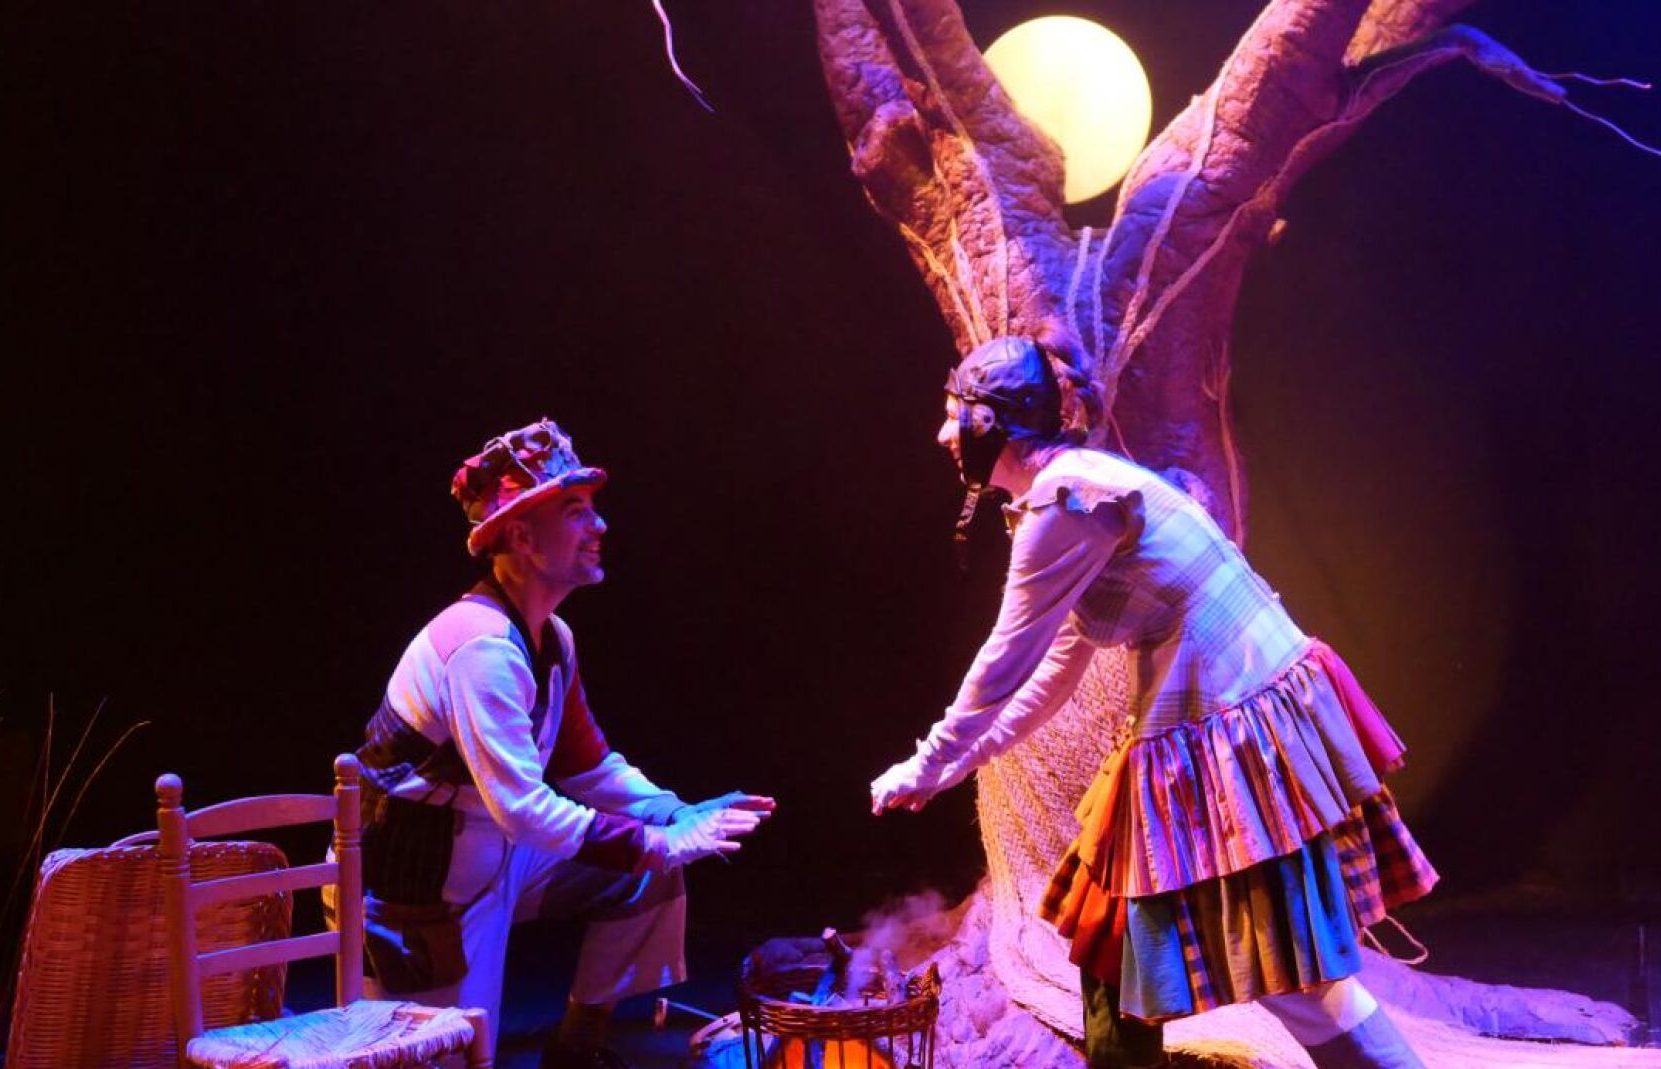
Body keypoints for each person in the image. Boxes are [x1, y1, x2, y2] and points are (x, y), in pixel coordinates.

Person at [871, 337, 1439, 1069]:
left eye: (954, 415)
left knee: (1296, 974)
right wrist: (948, 770)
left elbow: (1003, 661)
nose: (942, 434)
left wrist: (923, 763)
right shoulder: (1080, 488)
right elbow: (1053, 673)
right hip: (1227, 715)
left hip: (1232, 727)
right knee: (1108, 922)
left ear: (990, 426)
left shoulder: (1067, 503)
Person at [354, 418, 774, 1069]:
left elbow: (587, 766)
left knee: (649, 875)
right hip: (419, 888)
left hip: (493, 856)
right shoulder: (480, 647)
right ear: (522, 536)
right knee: (454, 1056)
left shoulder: (553, 636)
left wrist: (674, 815)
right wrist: (659, 839)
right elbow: (523, 809)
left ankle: (577, 1048)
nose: (599, 525)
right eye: (576, 511)